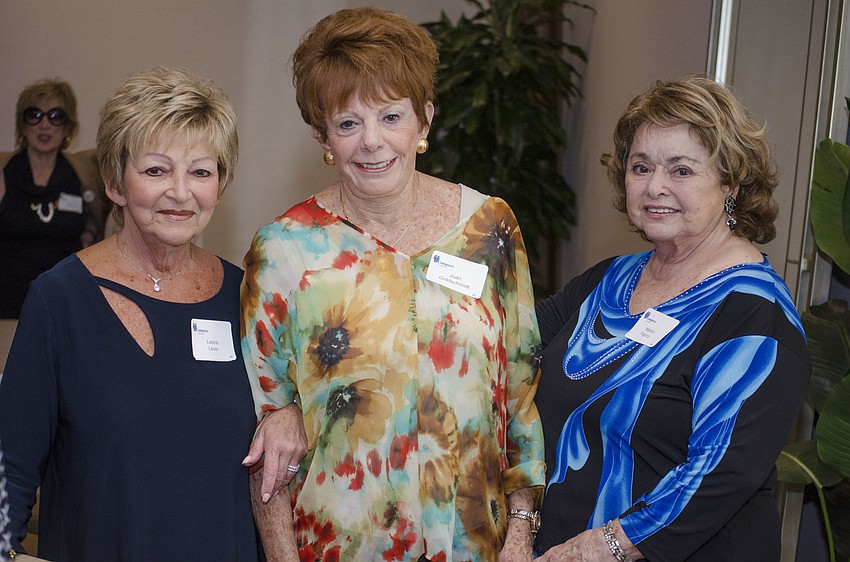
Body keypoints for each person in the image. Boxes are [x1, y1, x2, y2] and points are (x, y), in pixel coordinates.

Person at [240, 7, 546, 561]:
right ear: (322, 135)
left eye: (390, 116)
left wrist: (521, 533)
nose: (372, 142)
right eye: (348, 123)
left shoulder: (489, 228)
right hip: (335, 547)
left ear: (424, 120)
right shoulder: (284, 252)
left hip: (474, 547)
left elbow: (520, 399)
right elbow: (269, 444)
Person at [533, 76, 810, 561]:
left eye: (681, 170)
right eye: (641, 167)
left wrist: (595, 550)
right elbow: (512, 337)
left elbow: (720, 474)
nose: (654, 186)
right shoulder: (612, 279)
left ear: (731, 182)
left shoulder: (754, 316)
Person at [0, 67, 262, 561]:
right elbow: (9, 465)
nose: (181, 192)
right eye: (156, 170)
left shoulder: (247, 297)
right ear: (115, 184)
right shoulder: (60, 301)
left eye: (201, 171)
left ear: (220, 186)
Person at [0, 79, 111, 318]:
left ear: (67, 125)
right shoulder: (4, 170)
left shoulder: (85, 173)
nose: (45, 125)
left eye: (55, 116)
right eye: (35, 115)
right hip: (7, 304)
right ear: (23, 123)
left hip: (66, 302)